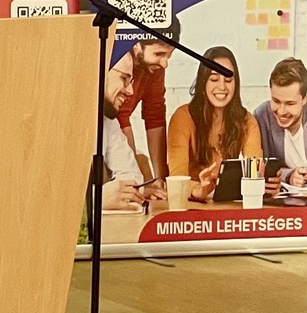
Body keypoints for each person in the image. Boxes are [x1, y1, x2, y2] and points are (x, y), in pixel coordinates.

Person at [167, 45, 249, 203]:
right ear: (202, 82)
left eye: (228, 80)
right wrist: (199, 190)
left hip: (226, 204)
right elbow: (177, 179)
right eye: (214, 79)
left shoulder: (245, 120)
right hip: (190, 204)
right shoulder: (183, 117)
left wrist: (264, 181)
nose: (222, 87)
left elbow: (255, 167)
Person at [111, 21, 178, 186]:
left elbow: (155, 114)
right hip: (104, 137)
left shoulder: (155, 67)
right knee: (136, 171)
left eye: (169, 55)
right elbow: (119, 118)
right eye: (159, 54)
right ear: (136, 45)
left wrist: (161, 180)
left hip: (116, 133)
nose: (165, 63)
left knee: (143, 167)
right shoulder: (119, 64)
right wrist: (134, 178)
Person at [100, 62, 159, 211]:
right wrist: (98, 198)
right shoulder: (56, 122)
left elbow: (132, 177)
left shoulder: (108, 122)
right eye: (124, 79)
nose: (131, 91)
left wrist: (120, 193)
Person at [254, 57, 307, 187]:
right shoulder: (262, 116)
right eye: (276, 101)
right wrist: (289, 175)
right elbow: (261, 167)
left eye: (290, 103)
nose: (282, 111)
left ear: (304, 99)